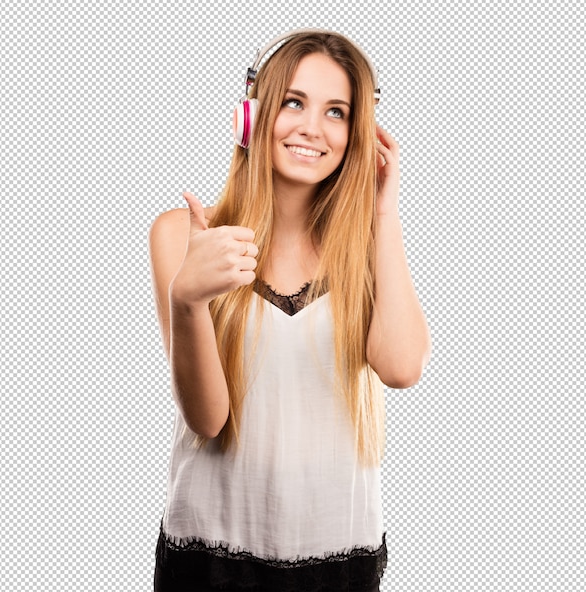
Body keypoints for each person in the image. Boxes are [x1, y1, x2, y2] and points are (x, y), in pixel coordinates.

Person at [148, 28, 431, 592]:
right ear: (251, 116)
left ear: (359, 135)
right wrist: (188, 299)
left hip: (340, 558)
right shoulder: (183, 235)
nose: (311, 127)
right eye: (294, 102)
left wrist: (383, 208)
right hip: (211, 557)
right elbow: (208, 421)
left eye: (337, 112)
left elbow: (402, 368)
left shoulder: (366, 251)